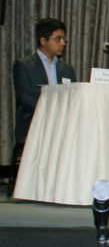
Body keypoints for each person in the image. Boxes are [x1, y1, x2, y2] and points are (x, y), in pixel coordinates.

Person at [11, 18, 77, 164]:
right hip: (34, 126)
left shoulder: (67, 69)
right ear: (43, 41)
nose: (63, 43)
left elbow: (73, 97)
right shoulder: (24, 65)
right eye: (58, 39)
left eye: (64, 39)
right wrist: (52, 112)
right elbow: (25, 98)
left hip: (62, 128)